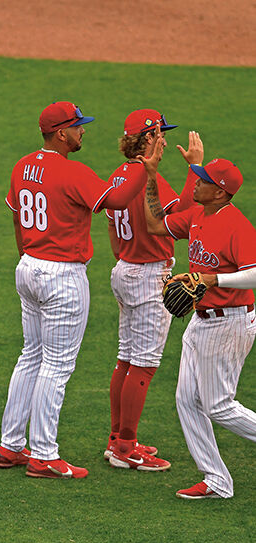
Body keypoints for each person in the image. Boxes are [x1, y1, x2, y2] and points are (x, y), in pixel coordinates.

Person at [0, 101, 148, 479]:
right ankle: (44, 454)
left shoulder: (22, 166)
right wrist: (142, 165)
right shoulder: (71, 171)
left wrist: (28, 258)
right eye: (78, 127)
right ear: (61, 133)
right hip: (61, 274)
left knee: (31, 354)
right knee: (56, 365)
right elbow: (114, 198)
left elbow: (17, 215)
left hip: (29, 266)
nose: (84, 131)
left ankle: (11, 445)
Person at [141, 150, 256, 499]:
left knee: (218, 405)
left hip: (230, 323)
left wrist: (213, 280)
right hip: (201, 320)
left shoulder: (236, 225)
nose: (197, 182)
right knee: (186, 400)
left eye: (203, 179)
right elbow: (155, 225)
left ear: (220, 191)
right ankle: (217, 481)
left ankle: (217, 480)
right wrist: (150, 176)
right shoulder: (197, 214)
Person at [102, 110, 203, 471]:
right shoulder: (149, 179)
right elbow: (186, 218)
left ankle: (118, 439)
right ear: (148, 138)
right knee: (143, 365)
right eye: (160, 135)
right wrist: (195, 169)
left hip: (124, 269)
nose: (163, 140)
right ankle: (125, 448)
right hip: (147, 275)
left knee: (126, 359)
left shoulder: (119, 175)